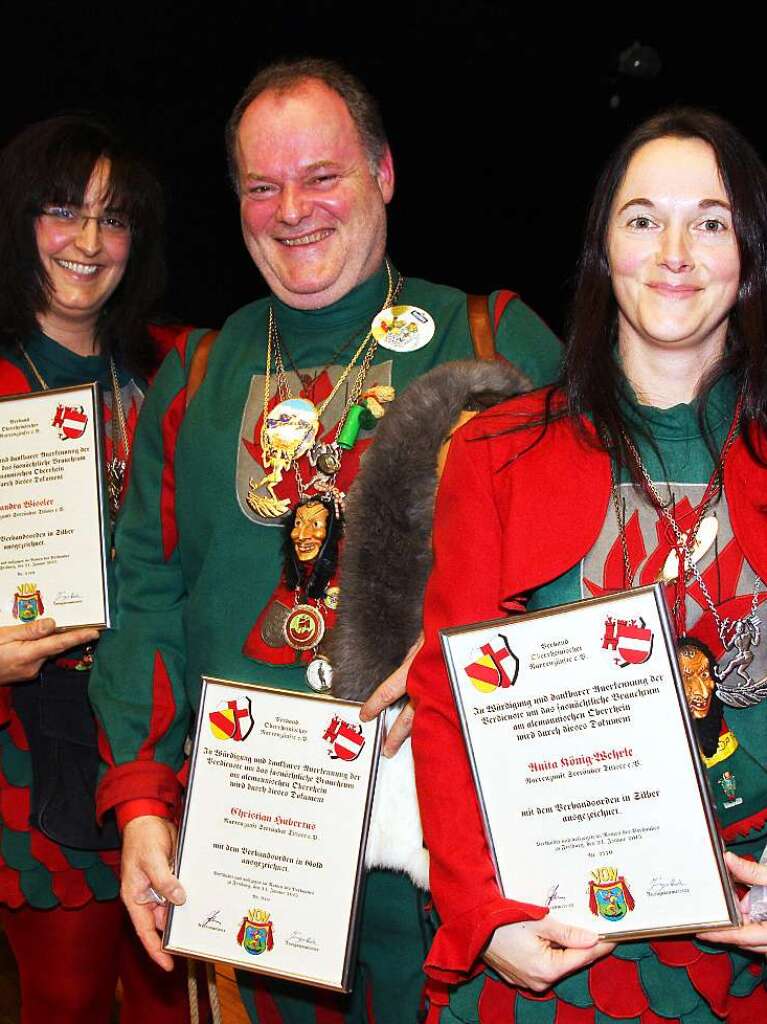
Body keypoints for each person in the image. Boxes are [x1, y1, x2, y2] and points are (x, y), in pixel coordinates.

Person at [88, 57, 562, 1024]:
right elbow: (145, 593)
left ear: (383, 174)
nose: (291, 209)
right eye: (262, 187)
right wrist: (141, 799)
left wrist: (459, 660)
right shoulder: (200, 373)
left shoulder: (492, 340)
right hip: (263, 846)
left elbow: (582, 581)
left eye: (322, 176)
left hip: (454, 855)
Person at [408, 108, 767, 1022]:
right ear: (603, 250)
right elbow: (445, 696)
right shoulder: (495, 453)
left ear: (749, 254)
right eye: (642, 219)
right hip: (557, 943)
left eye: (711, 221)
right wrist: (481, 913)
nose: (674, 251)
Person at [0, 115, 190, 1023]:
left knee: (167, 996)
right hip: (29, 738)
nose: (87, 241)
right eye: (62, 210)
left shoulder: (172, 368)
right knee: (68, 998)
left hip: (161, 731)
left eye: (113, 219)